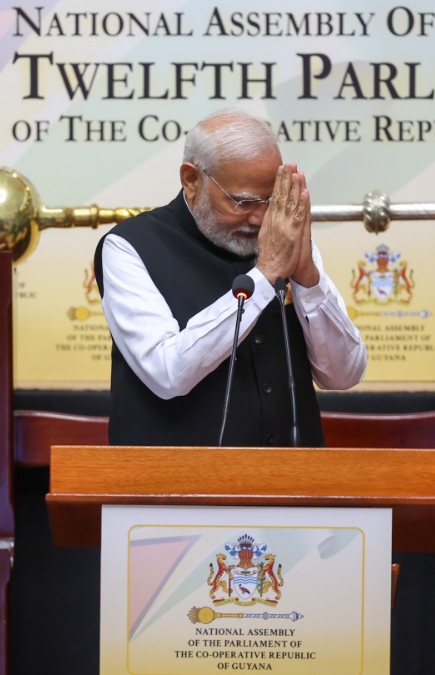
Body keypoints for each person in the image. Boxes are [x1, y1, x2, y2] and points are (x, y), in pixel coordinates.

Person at [94, 108, 367, 447]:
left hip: (291, 483)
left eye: (270, 199)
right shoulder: (129, 247)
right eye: (244, 202)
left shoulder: (283, 238)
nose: (260, 218)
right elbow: (167, 373)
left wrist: (308, 277)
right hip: (173, 487)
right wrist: (266, 274)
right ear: (192, 180)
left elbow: (345, 374)